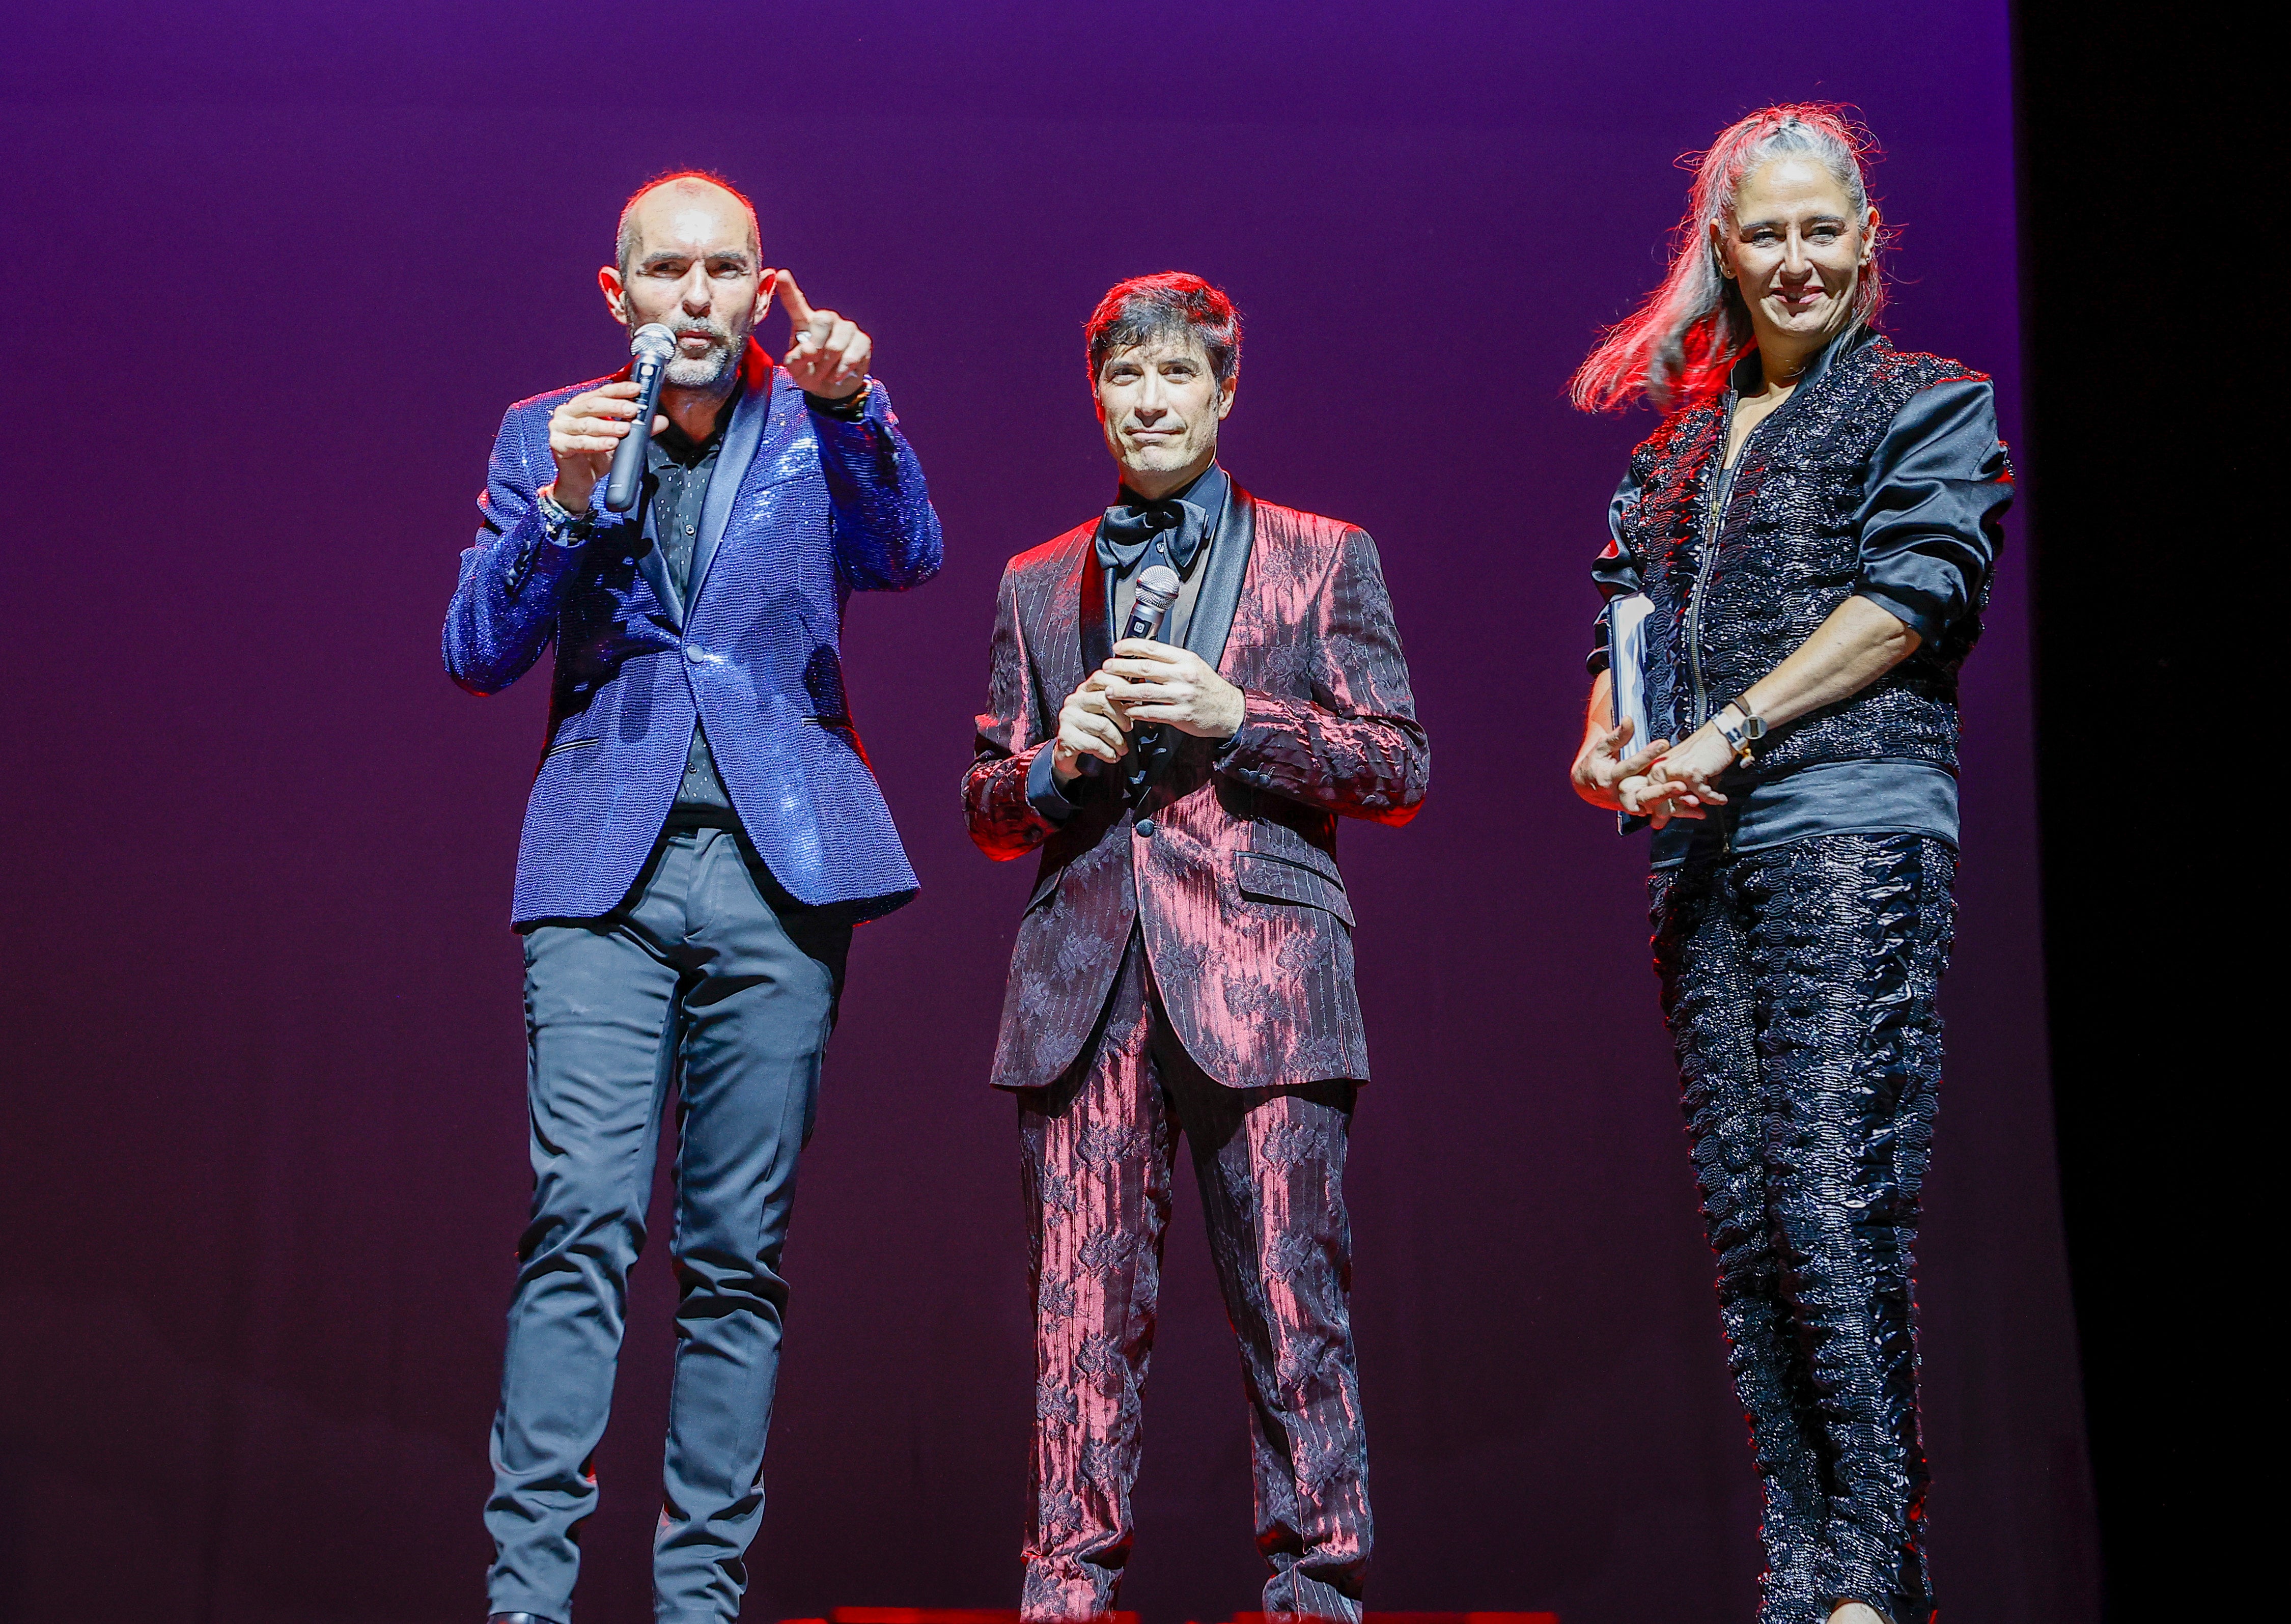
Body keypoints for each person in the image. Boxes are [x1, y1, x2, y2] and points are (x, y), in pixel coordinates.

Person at [442, 170, 941, 1624]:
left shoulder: (818, 416)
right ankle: (528, 1602)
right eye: (670, 273)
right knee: (581, 1218)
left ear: (762, 282)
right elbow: (475, 649)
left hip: (782, 867)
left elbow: (907, 554)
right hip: (604, 864)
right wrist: (564, 505)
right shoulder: (550, 430)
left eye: (728, 271)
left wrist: (857, 411)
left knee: (736, 1258)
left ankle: (698, 1604)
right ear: (621, 295)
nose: (701, 298)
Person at [1567, 108, 2011, 1624]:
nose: (1797, 257)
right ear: (1722, 249)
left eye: (1824, 228)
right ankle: (1804, 1572)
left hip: (1852, 821)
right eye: (1767, 232)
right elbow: (1623, 618)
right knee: (1753, 1226)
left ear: (1866, 239)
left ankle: (1872, 1582)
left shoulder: (1926, 404)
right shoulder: (1676, 450)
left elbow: (1911, 599)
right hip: (1700, 856)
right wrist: (1613, 738)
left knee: (1833, 1199)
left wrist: (1733, 726)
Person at [964, 272, 1429, 1622]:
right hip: (1082, 981)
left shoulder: (1320, 554)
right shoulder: (1037, 582)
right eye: (1124, 377)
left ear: (1224, 390)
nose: (1148, 400)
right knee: (1077, 1327)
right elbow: (985, 803)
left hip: (1267, 981)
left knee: (1295, 1310)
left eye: (1175, 376)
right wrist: (1058, 765)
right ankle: (1066, 1596)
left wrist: (1241, 715)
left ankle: (1316, 1594)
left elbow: (1397, 766)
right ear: (1095, 393)